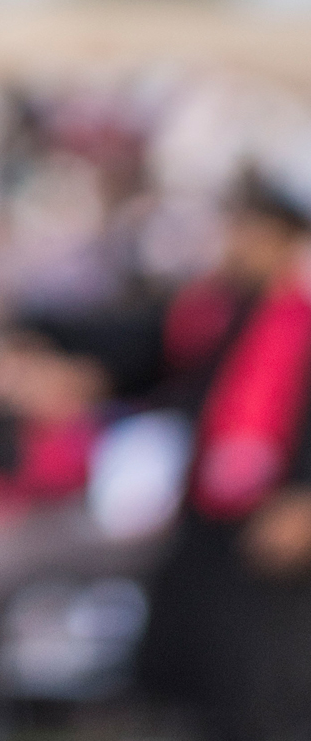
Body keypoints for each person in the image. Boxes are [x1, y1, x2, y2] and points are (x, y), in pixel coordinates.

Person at [140, 168, 311, 741]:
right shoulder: (241, 307)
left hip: (285, 531)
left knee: (265, 695)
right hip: (222, 518)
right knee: (203, 687)